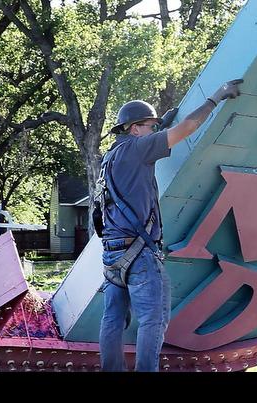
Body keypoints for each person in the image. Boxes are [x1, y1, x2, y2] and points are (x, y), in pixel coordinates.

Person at [97, 79, 244, 372]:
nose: (154, 130)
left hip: (113, 252)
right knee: (153, 318)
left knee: (113, 318)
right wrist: (216, 96)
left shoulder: (111, 156)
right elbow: (188, 127)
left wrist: (160, 122)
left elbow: (151, 140)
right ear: (135, 128)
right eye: (149, 126)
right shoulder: (138, 149)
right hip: (139, 254)